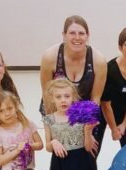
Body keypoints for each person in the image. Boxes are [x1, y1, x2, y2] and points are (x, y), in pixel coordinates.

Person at [40, 15, 107, 154]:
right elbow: (47, 96)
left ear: (87, 35)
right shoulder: (50, 57)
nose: (77, 37)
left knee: (88, 154)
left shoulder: (98, 60)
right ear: (64, 35)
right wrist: (55, 129)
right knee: (62, 154)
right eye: (72, 33)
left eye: (81, 33)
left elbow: (95, 99)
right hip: (56, 110)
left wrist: (87, 130)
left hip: (84, 114)